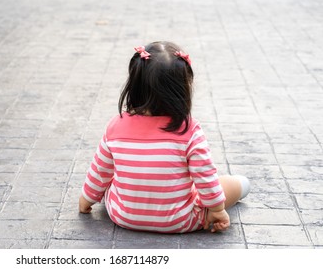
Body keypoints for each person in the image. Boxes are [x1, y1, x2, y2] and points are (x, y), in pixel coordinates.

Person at [78, 41, 250, 233]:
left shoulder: (115, 126)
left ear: (134, 87)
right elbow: (205, 177)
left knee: (110, 181)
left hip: (123, 216)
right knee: (224, 184)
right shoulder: (189, 129)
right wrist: (218, 210)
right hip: (180, 220)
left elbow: (99, 172)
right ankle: (242, 185)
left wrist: (86, 199)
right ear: (182, 91)